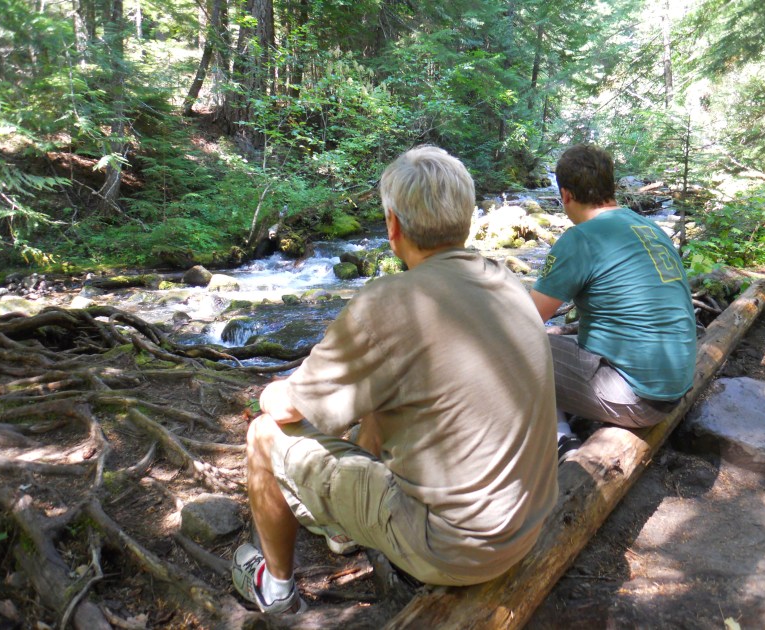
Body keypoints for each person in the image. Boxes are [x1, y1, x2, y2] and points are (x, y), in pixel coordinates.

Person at [232, 145, 559, 615]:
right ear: (467, 220)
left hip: (452, 548)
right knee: (380, 398)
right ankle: (346, 525)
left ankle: (277, 592)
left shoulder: (388, 303)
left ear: (393, 226)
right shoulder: (504, 279)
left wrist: (270, 392)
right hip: (527, 523)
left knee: (264, 434)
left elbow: (287, 408)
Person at [530, 145, 696, 460]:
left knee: (519, 345)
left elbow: (526, 320)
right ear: (611, 187)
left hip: (637, 398)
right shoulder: (649, 228)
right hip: (676, 385)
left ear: (566, 195)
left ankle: (559, 439)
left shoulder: (580, 238)